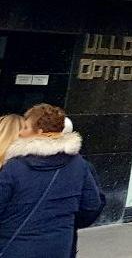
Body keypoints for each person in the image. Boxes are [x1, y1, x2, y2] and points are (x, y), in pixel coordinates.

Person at [0, 103, 103, 258]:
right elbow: (92, 205)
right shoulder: (79, 164)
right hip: (59, 246)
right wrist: (63, 224)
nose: (21, 132)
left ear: (40, 132)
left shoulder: (15, 167)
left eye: (26, 127)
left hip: (14, 247)